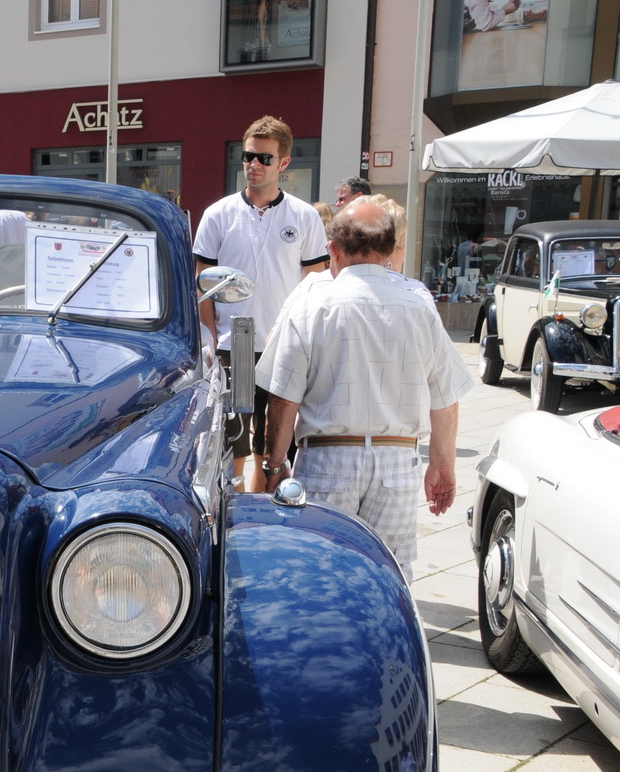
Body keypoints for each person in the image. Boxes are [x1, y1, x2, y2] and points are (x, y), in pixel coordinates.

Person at [254, 199, 473, 581]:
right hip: (397, 458)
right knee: (388, 574)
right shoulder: (418, 306)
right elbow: (445, 399)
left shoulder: (312, 304)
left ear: (333, 251)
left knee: (320, 570)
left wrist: (274, 463)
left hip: (327, 458)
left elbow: (283, 397)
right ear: (389, 251)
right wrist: (443, 465)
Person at [193, 114, 330, 491]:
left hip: (283, 342)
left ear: (284, 163)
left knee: (273, 443)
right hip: (232, 341)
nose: (253, 165)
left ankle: (264, 513)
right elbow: (201, 283)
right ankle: (235, 514)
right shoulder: (218, 213)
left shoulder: (303, 217)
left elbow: (316, 284)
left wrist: (307, 339)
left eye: (264, 158)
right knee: (232, 435)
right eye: (248, 156)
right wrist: (207, 338)